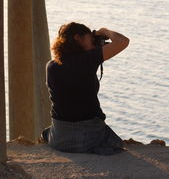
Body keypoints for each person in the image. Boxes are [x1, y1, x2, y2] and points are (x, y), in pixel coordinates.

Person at [41, 22, 130, 155]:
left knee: (47, 131)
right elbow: (123, 41)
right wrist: (105, 31)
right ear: (78, 38)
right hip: (89, 137)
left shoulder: (51, 66)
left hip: (59, 138)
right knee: (112, 140)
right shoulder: (88, 60)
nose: (93, 42)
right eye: (90, 39)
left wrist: (92, 38)